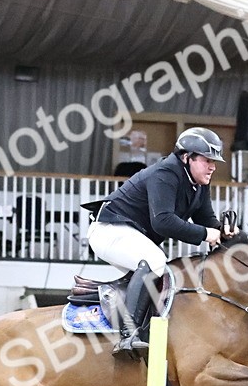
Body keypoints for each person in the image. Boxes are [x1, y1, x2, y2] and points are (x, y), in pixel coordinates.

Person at [89, 127, 230, 356]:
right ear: (187, 157)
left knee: (161, 273)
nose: (213, 166)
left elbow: (206, 220)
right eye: (207, 160)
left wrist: (222, 231)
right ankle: (127, 336)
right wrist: (206, 234)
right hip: (109, 231)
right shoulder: (165, 173)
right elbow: (162, 222)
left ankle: (142, 330)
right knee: (155, 260)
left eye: (214, 161)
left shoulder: (198, 183)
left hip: (129, 233)